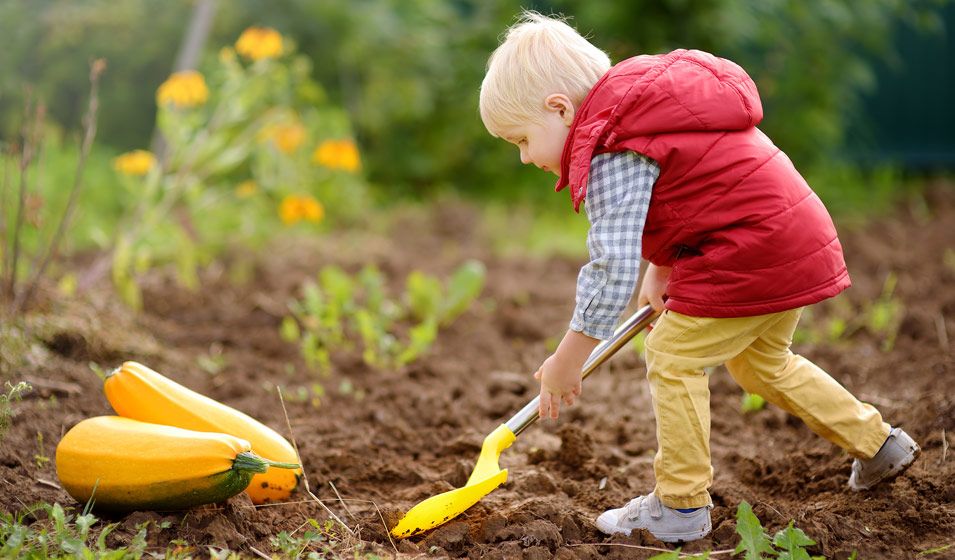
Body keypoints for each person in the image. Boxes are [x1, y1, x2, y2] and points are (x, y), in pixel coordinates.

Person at [478, 12, 920, 543]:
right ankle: (878, 444)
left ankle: (680, 506)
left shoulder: (612, 149)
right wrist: (662, 271)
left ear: (559, 109)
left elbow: (611, 265)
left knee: (672, 355)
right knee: (763, 365)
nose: (525, 158)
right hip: (787, 235)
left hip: (748, 249)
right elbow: (690, 191)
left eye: (522, 140)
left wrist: (567, 359)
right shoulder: (647, 113)